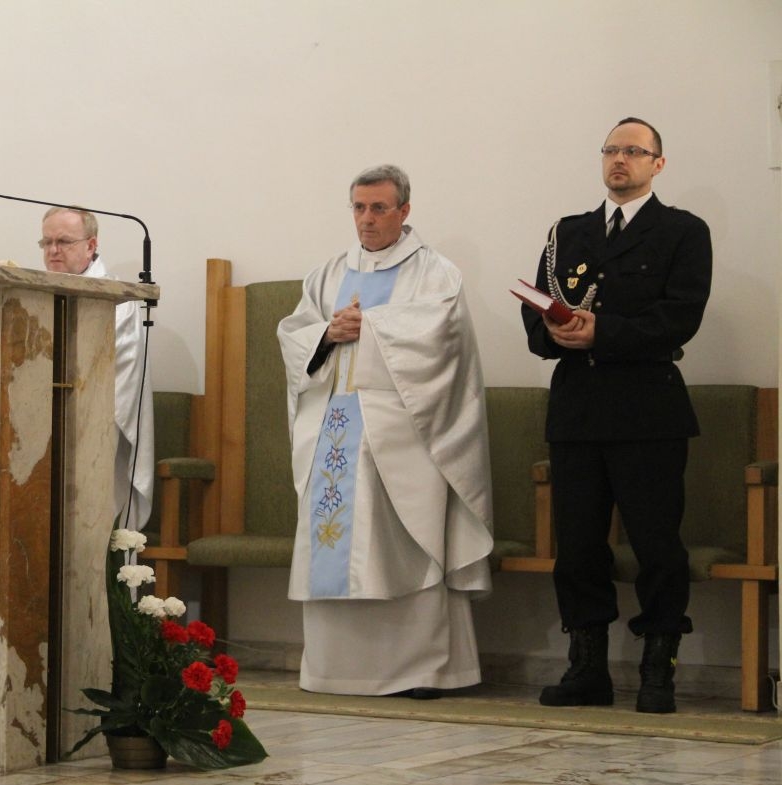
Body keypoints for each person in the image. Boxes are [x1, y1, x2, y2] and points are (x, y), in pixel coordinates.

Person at [278, 165, 494, 698]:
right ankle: (334, 669)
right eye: (359, 207)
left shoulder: (435, 273)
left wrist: (368, 327)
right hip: (334, 425)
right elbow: (296, 334)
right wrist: (327, 333)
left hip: (407, 433)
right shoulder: (327, 273)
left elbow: (441, 342)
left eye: (379, 208)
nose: (367, 219)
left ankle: (422, 670)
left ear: (404, 211)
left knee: (407, 543)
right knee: (335, 540)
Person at [522, 117, 712, 714]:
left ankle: (659, 671)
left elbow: (680, 317)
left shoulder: (682, 231)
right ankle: (587, 671)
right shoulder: (568, 232)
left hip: (648, 412)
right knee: (578, 548)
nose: (619, 159)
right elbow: (536, 314)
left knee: (657, 547)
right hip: (577, 412)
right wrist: (557, 333)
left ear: (658, 163)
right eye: (611, 149)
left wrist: (601, 332)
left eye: (633, 150)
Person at [40, 207, 154, 530]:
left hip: (98, 426)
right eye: (46, 242)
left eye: (63, 242)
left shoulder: (116, 302)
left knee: (92, 523)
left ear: (91, 245)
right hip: (43, 426)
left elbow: (112, 378)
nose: (53, 250)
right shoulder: (36, 294)